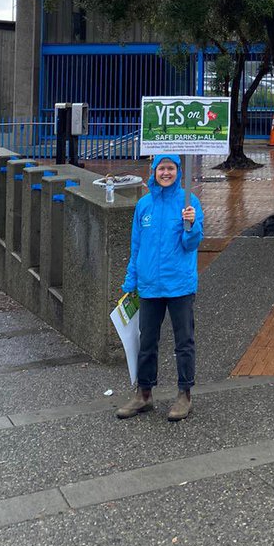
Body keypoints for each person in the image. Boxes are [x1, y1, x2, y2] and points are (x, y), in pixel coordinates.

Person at [116, 154, 204, 422]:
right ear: (153, 171)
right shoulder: (144, 205)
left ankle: (184, 394)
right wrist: (131, 280)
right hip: (149, 285)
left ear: (178, 171)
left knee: (184, 341)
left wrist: (191, 225)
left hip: (179, 284)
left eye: (171, 168)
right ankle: (144, 393)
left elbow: (191, 244)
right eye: (161, 168)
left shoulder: (189, 202)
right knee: (147, 341)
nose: (166, 173)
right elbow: (136, 246)